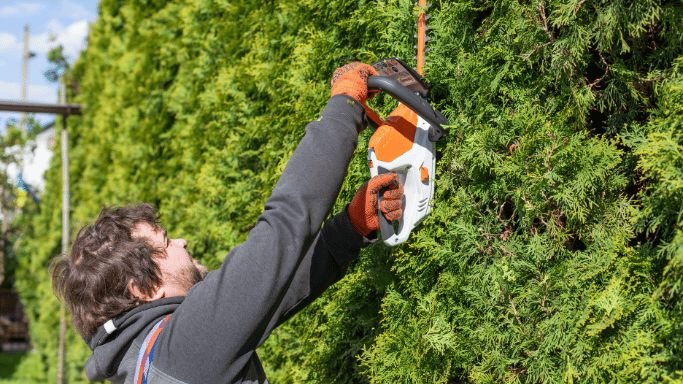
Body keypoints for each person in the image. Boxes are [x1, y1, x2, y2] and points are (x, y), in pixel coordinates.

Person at [50, 62, 405, 383]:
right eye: (166, 241)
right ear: (143, 290)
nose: (183, 242)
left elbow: (271, 294)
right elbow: (284, 226)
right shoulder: (183, 352)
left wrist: (351, 227)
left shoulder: (148, 365)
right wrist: (345, 105)